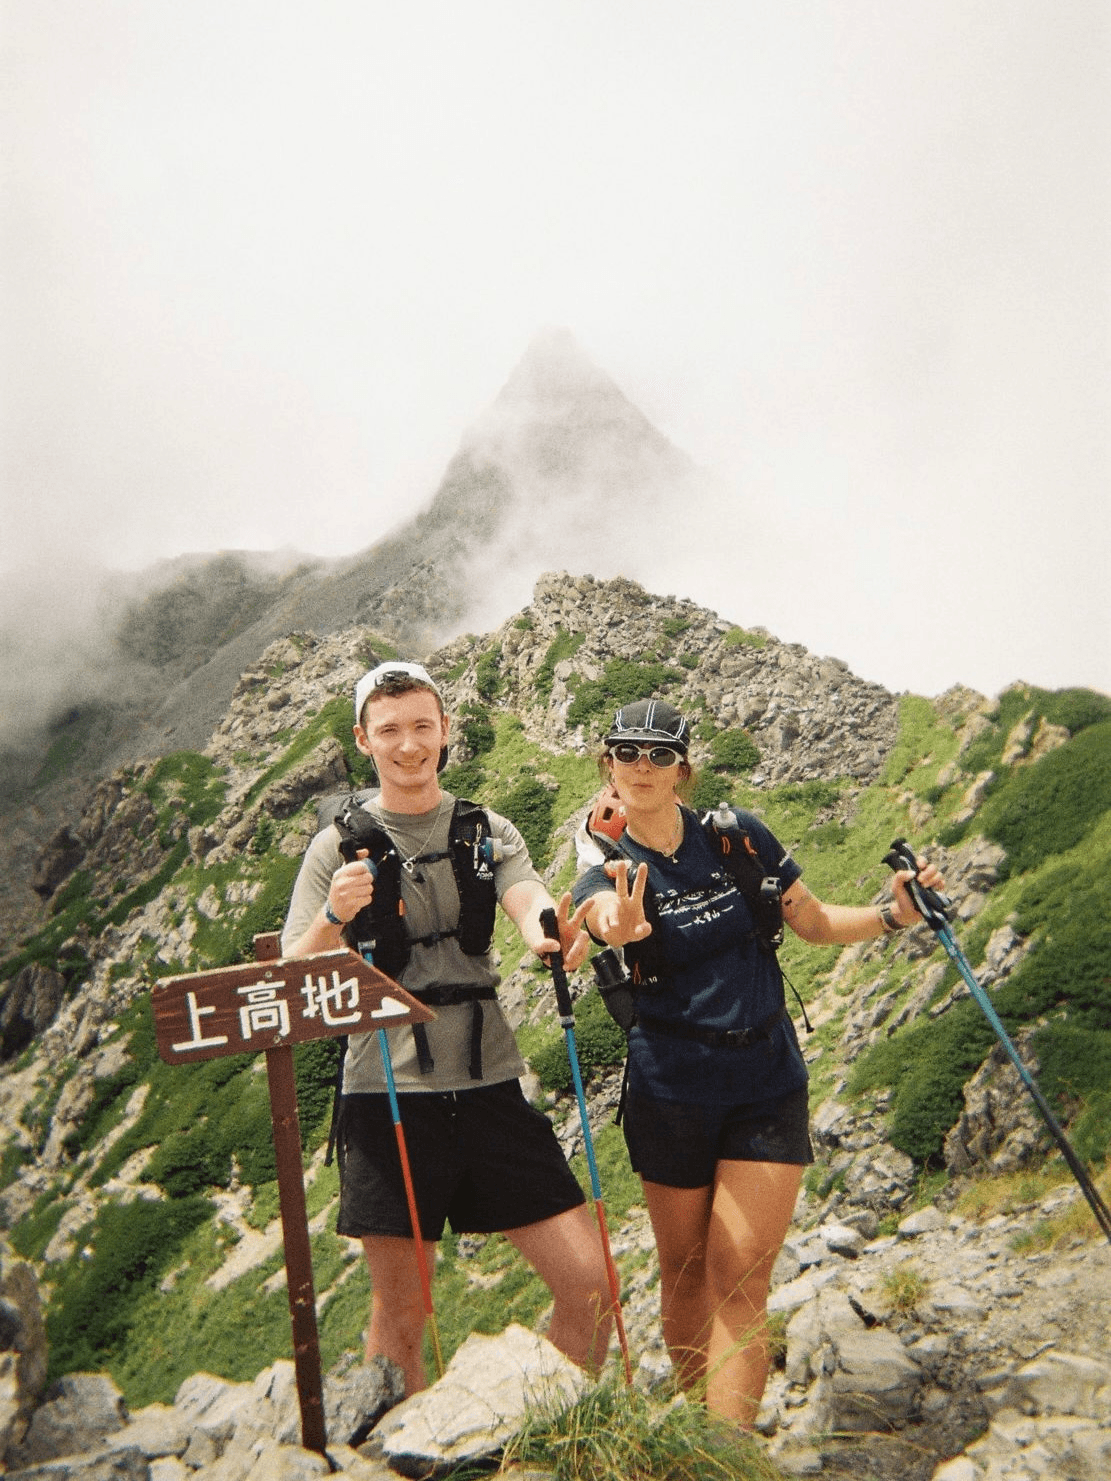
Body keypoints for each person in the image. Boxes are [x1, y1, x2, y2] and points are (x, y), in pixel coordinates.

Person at [571, 698, 946, 1428]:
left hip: (765, 1078)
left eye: (658, 753)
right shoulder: (604, 859)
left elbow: (811, 920)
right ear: (606, 763)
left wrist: (895, 913)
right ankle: (692, 1437)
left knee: (738, 1274)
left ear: (684, 767)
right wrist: (619, 922)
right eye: (625, 751)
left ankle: (729, 1452)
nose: (640, 766)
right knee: (681, 1271)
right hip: (671, 1087)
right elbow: (598, 917)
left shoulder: (737, 837)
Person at [282, 660, 608, 1394]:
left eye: (421, 726)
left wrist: (545, 926)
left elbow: (524, 896)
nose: (408, 744)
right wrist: (335, 914)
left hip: (488, 1079)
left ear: (444, 730)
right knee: (403, 1314)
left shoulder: (485, 828)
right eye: (390, 730)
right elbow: (289, 977)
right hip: (383, 1090)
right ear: (363, 739)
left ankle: (538, 1453)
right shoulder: (334, 848)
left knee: (589, 1283)